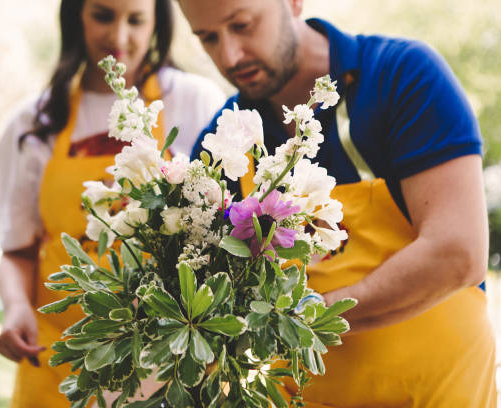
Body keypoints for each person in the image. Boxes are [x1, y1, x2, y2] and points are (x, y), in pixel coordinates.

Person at [179, 0, 497, 406]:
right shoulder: (224, 142)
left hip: (440, 393)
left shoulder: (402, 75)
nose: (229, 55)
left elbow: (457, 253)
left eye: (242, 25)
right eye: (207, 38)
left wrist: (311, 315)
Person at [0, 0, 225, 406]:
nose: (119, 37)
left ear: (157, 24)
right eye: (102, 16)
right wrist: (15, 308)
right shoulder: (32, 123)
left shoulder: (196, 101)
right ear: (75, 17)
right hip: (57, 360)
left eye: (136, 20)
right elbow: (18, 252)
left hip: (170, 365)